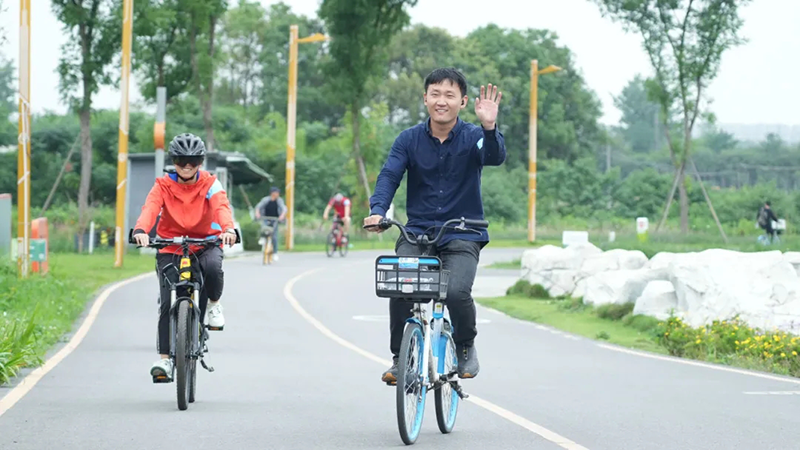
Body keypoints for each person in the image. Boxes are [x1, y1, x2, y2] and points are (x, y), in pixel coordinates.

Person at [364, 67, 506, 383]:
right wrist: (378, 211)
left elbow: (494, 156)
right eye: (435, 94)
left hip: (464, 232)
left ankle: (466, 345)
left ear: (463, 102)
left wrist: (489, 126)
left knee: (455, 292)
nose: (442, 101)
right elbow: (390, 175)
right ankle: (401, 359)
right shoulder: (408, 139)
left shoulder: (474, 137)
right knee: (400, 286)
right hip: (418, 232)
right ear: (425, 98)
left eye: (450, 95)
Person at [131, 133, 237, 381]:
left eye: (193, 161)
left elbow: (221, 207)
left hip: (205, 243)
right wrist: (141, 230)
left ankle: (213, 305)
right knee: (167, 301)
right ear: (173, 161)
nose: (187, 166)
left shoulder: (211, 183)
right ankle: (165, 360)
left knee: (213, 268)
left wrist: (228, 229)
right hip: (171, 245)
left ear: (200, 162)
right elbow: (150, 208)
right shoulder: (162, 185)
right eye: (181, 160)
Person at [255, 187, 288, 261]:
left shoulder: (279, 201)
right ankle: (262, 238)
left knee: (274, 236)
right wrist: (257, 213)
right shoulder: (265, 200)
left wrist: (282, 216)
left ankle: (275, 253)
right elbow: (258, 207)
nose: (277, 194)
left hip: (275, 219)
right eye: (276, 192)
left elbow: (284, 209)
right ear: (272, 193)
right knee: (263, 228)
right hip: (265, 217)